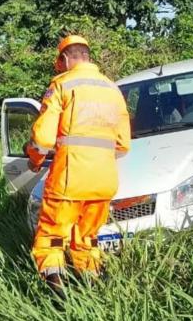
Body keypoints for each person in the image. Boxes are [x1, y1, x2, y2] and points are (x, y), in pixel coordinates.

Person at [25, 33, 131, 293]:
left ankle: (57, 295)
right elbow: (123, 144)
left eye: (58, 64)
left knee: (52, 236)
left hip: (69, 178)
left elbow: (43, 139)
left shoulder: (62, 84)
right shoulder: (112, 88)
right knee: (87, 238)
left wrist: (34, 159)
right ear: (87, 56)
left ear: (64, 59)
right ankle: (92, 287)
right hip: (104, 180)